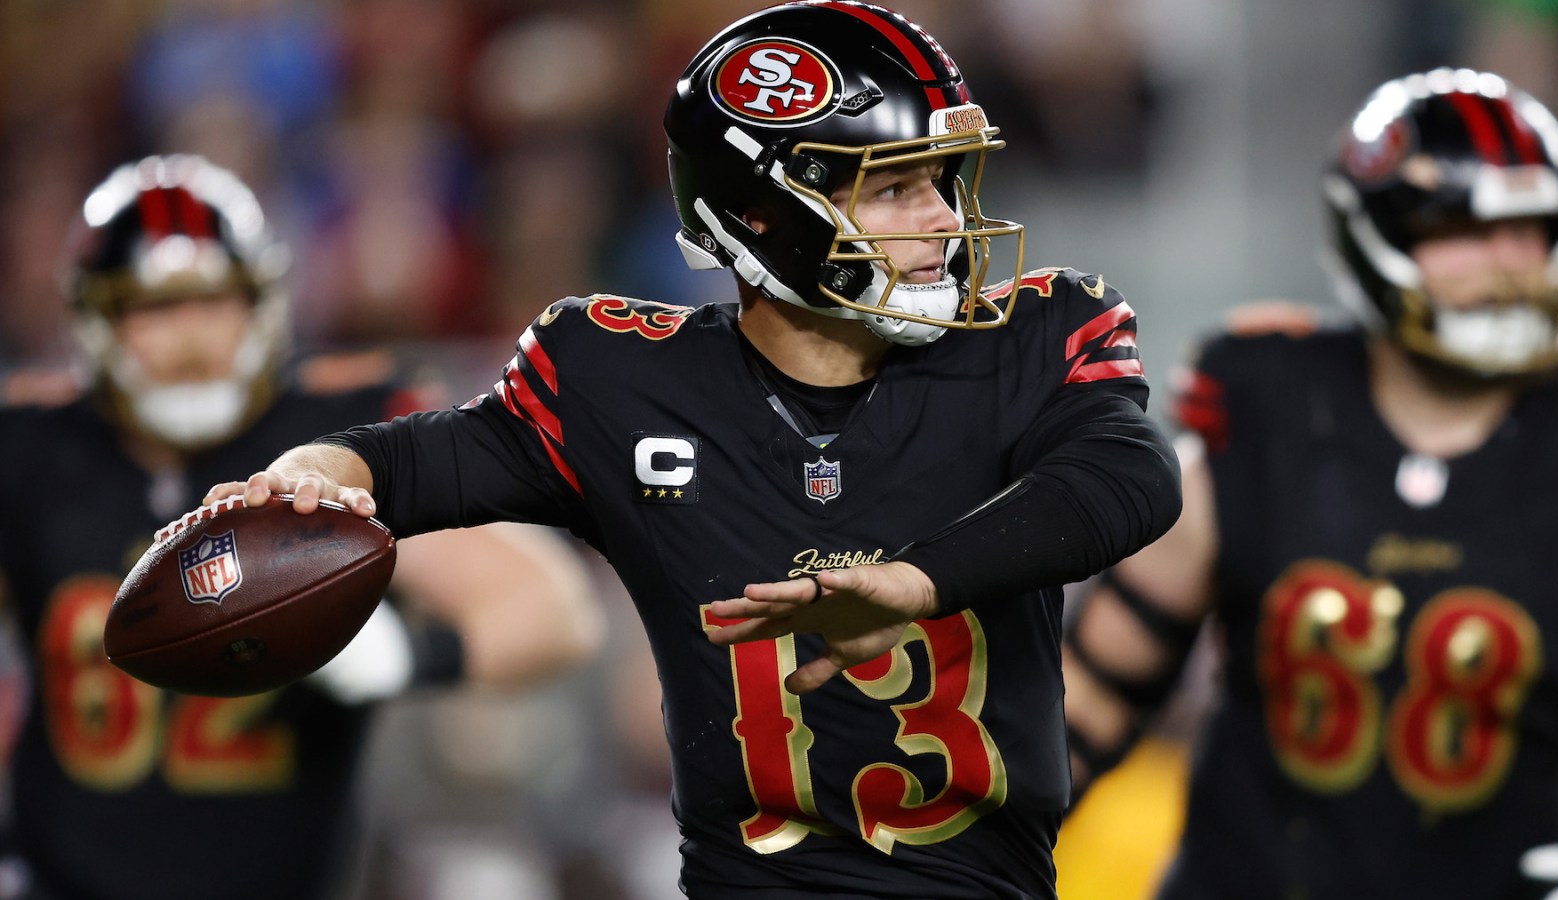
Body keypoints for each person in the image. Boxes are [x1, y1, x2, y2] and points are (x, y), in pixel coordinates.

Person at [201, 2, 1183, 896]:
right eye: (893, 189)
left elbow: (1130, 476)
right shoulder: (621, 380)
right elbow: (416, 464)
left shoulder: (1035, 333)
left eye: (939, 180)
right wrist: (313, 477)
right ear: (761, 215)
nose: (942, 219)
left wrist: (921, 583)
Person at [1058, 68, 1558, 900]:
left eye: (1535, 229)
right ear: (1376, 232)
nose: (1512, 262)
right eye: (1466, 228)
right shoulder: (1270, 410)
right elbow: (1090, 699)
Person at [0, 153, 603, 900]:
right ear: (96, 321)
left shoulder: (333, 436)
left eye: (215, 302)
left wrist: (402, 657)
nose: (191, 338)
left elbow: (556, 608)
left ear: (263, 304)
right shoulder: (32, 443)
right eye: (154, 309)